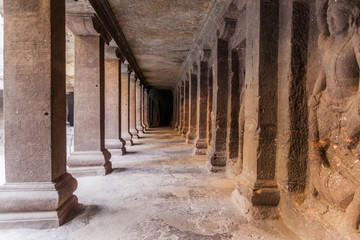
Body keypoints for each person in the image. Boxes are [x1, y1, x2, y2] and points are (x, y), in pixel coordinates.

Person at [310, 0, 360, 233]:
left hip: (351, 105)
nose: (330, 21)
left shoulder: (354, 41)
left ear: (349, 18)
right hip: (328, 104)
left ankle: (352, 213)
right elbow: (323, 70)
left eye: (335, 16)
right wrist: (314, 93)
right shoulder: (329, 44)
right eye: (328, 17)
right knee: (316, 138)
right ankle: (315, 179)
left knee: (351, 147)